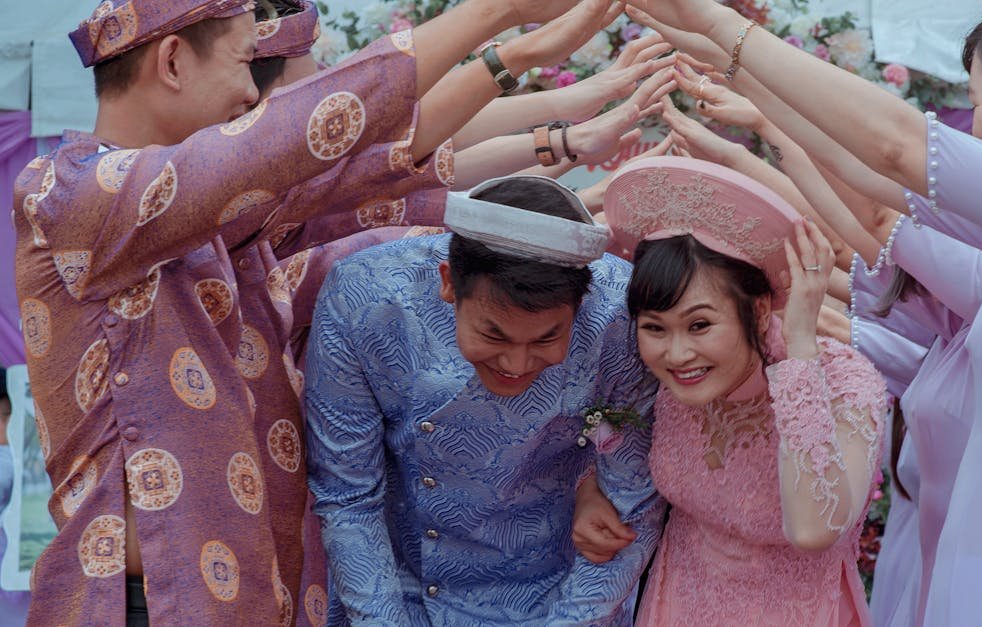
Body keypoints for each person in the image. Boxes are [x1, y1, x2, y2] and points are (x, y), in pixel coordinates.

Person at [11, 0, 624, 622]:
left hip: (254, 598)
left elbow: (364, 169)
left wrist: (547, 107)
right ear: (172, 61)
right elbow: (291, 142)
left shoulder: (213, 226)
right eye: (246, 62)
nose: (253, 93)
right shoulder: (67, 198)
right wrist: (500, 21)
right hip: (148, 605)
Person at [624, 0, 982, 624]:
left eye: (975, 104)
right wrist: (741, 73)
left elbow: (897, 148)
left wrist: (719, 25)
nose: (973, 130)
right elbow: (871, 196)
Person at [303, 174, 664, 624]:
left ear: (584, 298)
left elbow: (632, 502)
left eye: (547, 339)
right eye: (493, 334)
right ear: (450, 282)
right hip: (397, 584)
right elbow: (347, 494)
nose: (517, 362)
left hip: (557, 590)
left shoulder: (622, 317)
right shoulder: (365, 298)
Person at [574, 156, 886, 624]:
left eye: (699, 324)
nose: (677, 354)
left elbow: (813, 529)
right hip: (671, 606)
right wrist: (586, 490)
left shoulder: (844, 382)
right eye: (655, 328)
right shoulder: (669, 380)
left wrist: (800, 341)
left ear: (760, 312)